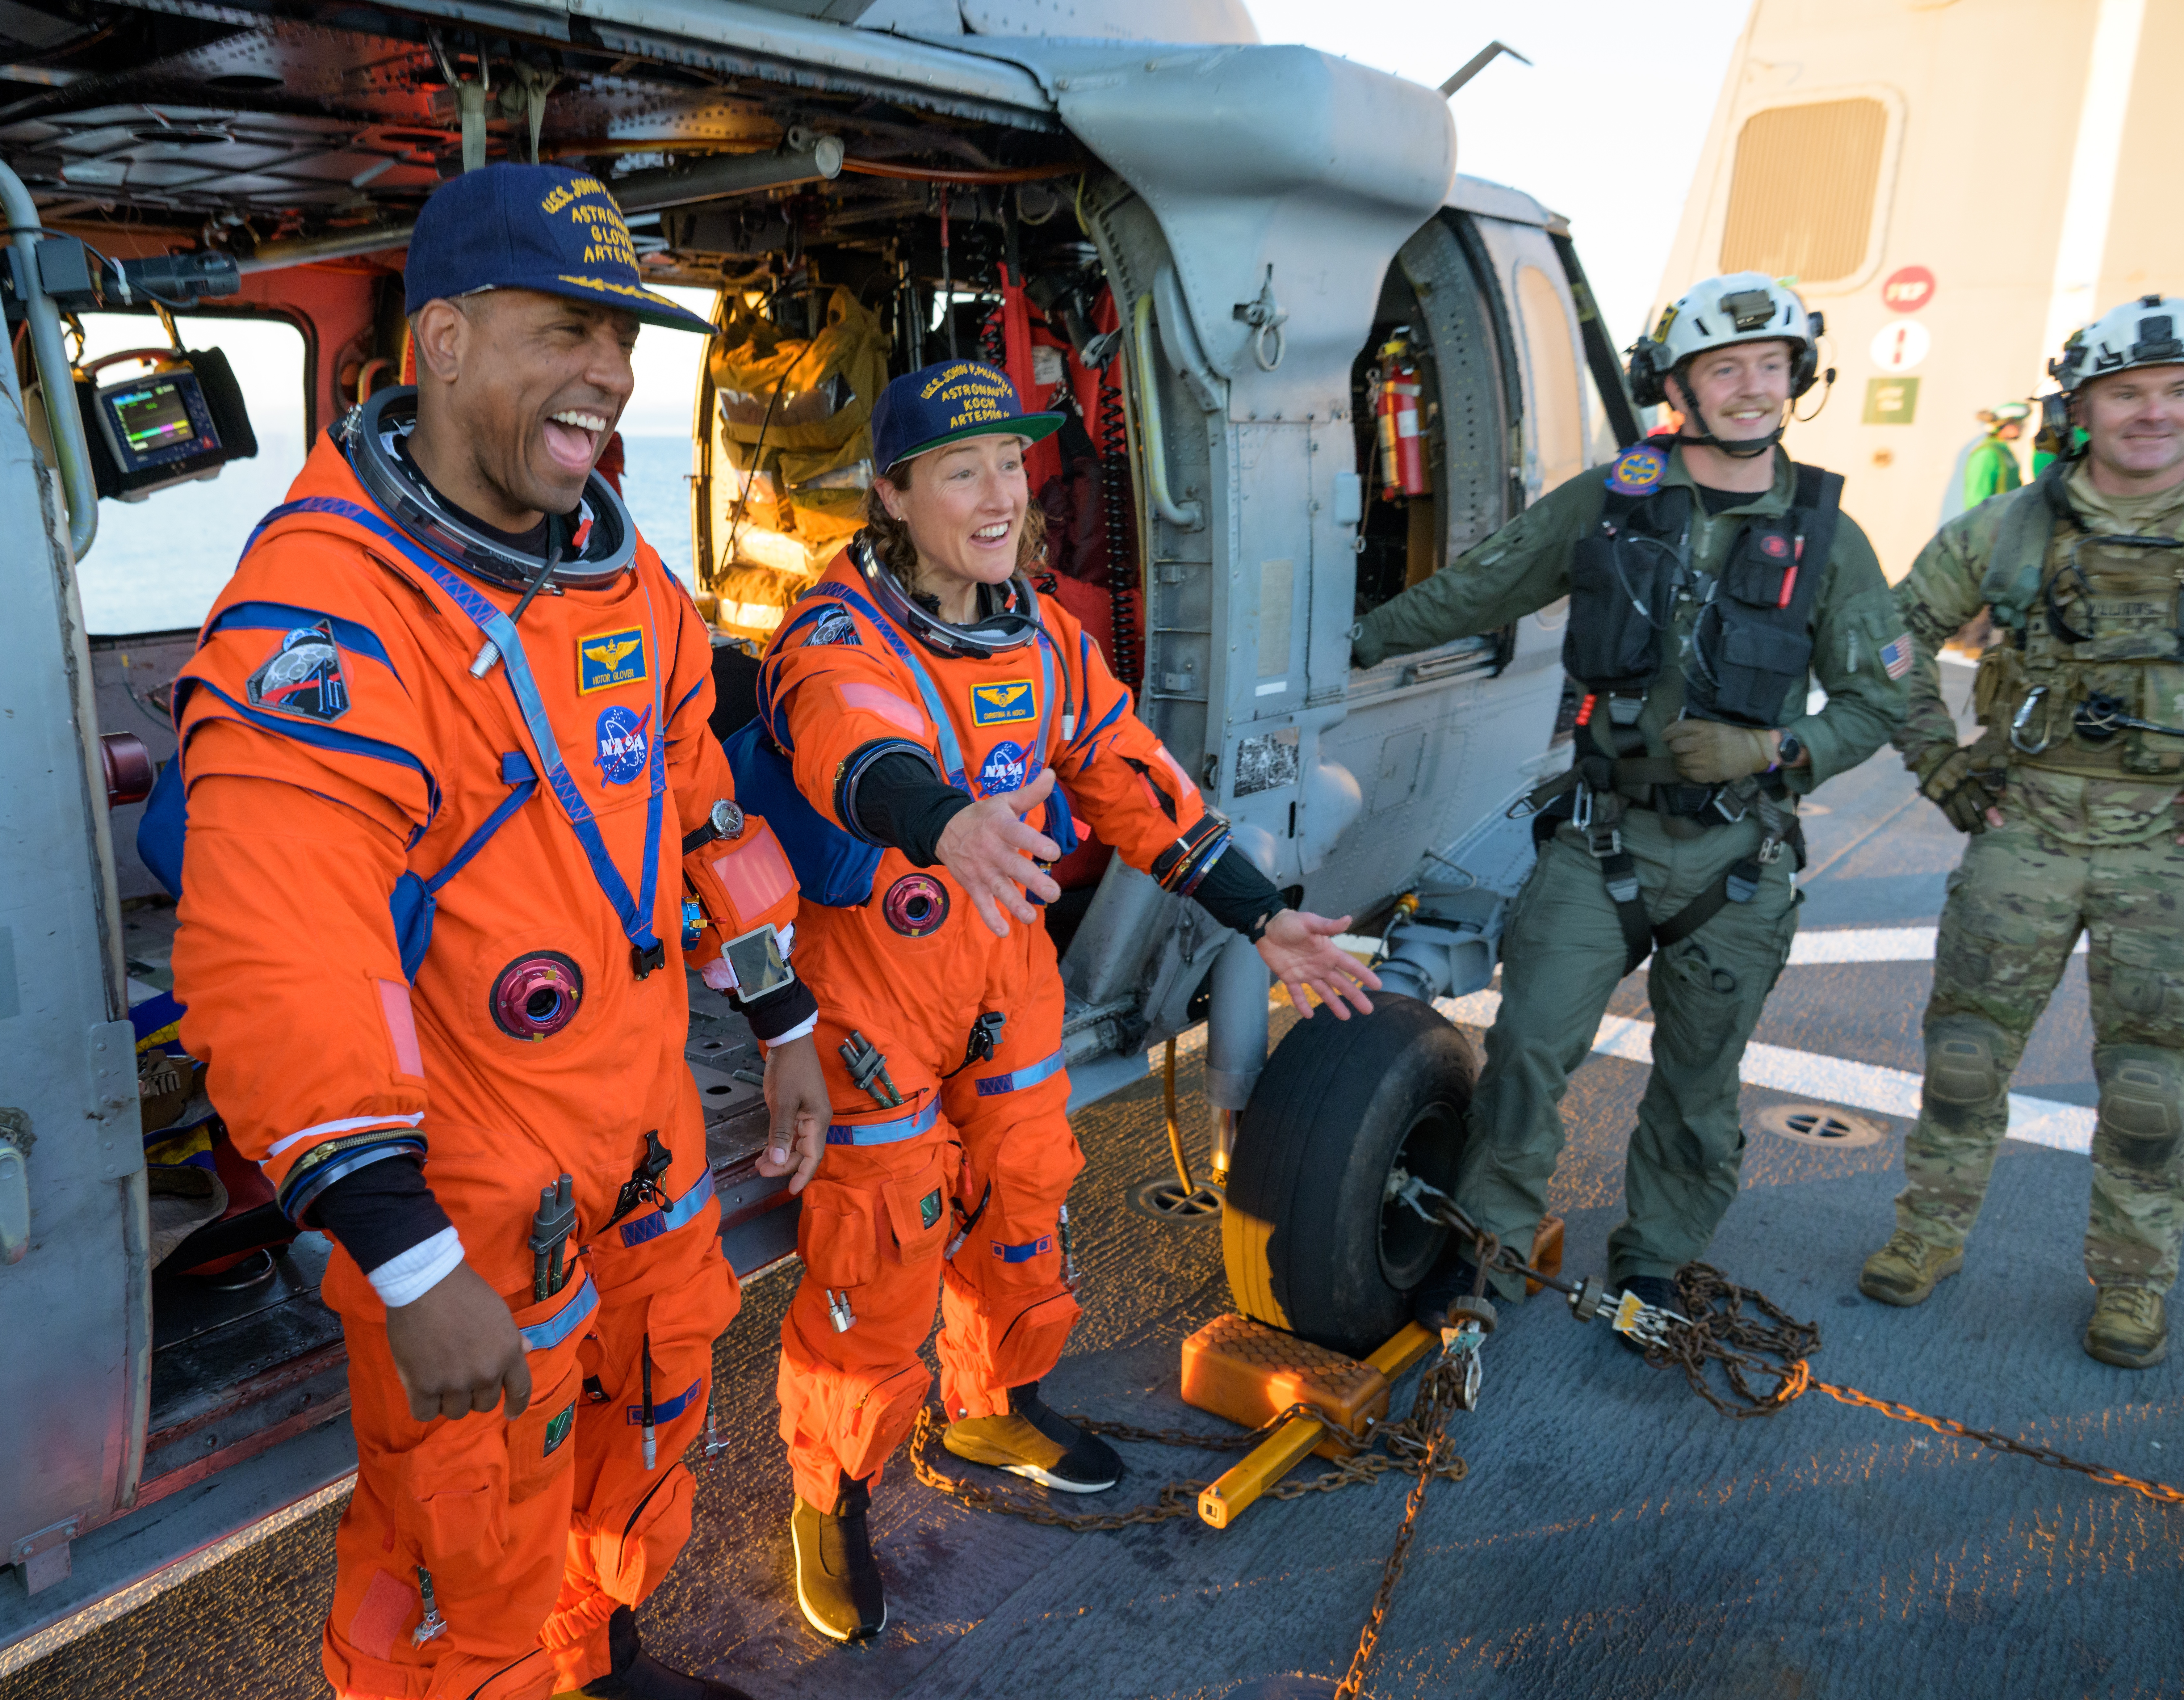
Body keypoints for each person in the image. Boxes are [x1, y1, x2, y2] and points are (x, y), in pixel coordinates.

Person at [170, 164, 832, 1700]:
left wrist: (784, 1019)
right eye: (563, 330)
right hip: (464, 1180)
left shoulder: (628, 579)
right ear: (445, 339)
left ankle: (593, 1654)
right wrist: (403, 1257)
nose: (607, 370)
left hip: (640, 1121)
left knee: (658, 1403)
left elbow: (704, 812)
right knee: (457, 1531)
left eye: (621, 336)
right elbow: (282, 953)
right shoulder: (324, 616)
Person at [737, 360, 1379, 1643]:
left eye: (1010, 464)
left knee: (1026, 1183)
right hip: (875, 980)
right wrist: (942, 819)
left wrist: (1264, 916)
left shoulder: (1045, 638)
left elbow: (1133, 781)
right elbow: (847, 744)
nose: (997, 494)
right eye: (960, 468)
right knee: (884, 1237)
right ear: (892, 489)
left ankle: (988, 1402)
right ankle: (834, 1485)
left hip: (1004, 970)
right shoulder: (832, 631)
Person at [1351, 272, 1908, 1333]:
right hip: (1600, 843)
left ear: (1799, 377)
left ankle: (1653, 1260)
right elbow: (1487, 583)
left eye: (1769, 367)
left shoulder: (1826, 535)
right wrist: (1362, 640)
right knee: (1523, 1056)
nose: (1749, 389)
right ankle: (1487, 1256)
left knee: (1697, 1086)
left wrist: (1775, 745)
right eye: (1722, 368)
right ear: (1678, 383)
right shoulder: (1614, 495)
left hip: (1733, 859)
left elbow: (1884, 699)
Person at [1864, 294, 2184, 1370]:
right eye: (2126, 392)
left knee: (2150, 1089)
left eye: (2175, 393)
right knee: (1961, 1059)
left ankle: (2133, 1283)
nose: (2153, 413)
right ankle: (1925, 1233)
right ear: (2081, 406)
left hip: (2164, 852)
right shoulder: (2005, 532)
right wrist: (1943, 768)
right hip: (2024, 831)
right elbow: (1890, 639)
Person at [1965, 402, 2030, 509]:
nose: (2023, 426)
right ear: (2004, 424)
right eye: (2018, 422)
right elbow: (1976, 504)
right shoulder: (1987, 453)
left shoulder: (2004, 451)